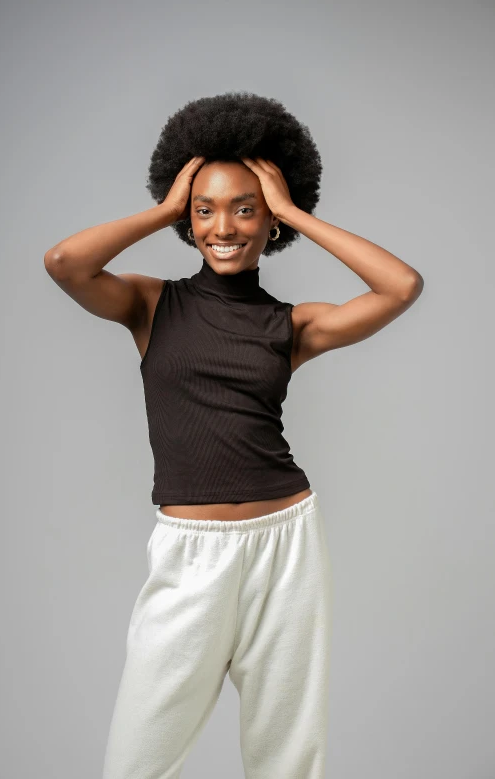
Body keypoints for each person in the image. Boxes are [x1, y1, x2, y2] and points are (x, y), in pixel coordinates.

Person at [44, 92, 423, 779]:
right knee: (137, 759)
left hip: (286, 542)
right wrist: (163, 208)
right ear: (187, 218)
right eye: (205, 208)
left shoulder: (292, 324)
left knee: (286, 755)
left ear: (269, 220)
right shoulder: (149, 305)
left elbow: (400, 286)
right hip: (189, 551)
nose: (225, 225)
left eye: (246, 208)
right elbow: (65, 262)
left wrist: (299, 214)